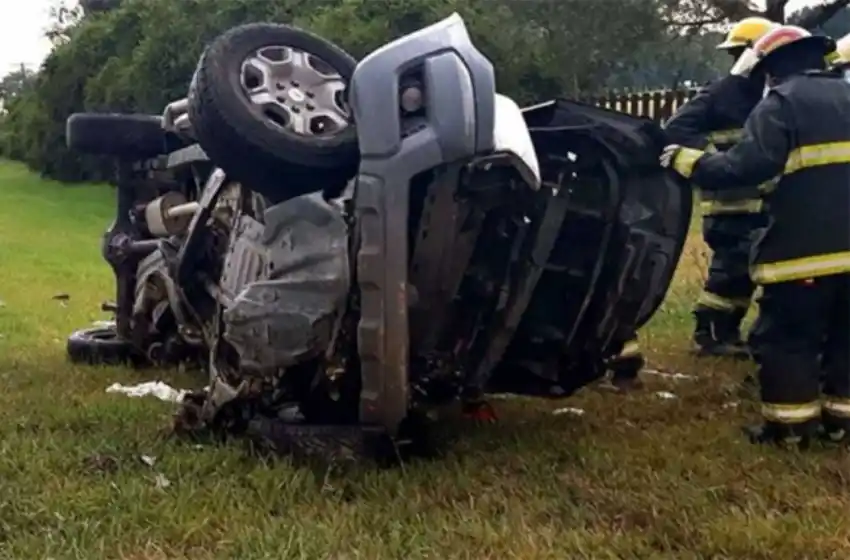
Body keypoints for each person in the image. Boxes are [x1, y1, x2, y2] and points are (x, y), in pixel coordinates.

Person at [660, 25, 850, 448]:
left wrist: (688, 161)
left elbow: (743, 169)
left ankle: (791, 430)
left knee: (786, 338)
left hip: (802, 255)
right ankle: (842, 425)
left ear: (771, 69)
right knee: (844, 338)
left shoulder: (781, 104)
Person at [663, 16, 778, 358]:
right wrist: (714, 158)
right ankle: (709, 333)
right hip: (730, 202)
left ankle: (725, 333)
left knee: (744, 272)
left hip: (762, 202)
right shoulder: (723, 93)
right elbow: (675, 128)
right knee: (731, 271)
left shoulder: (771, 93)